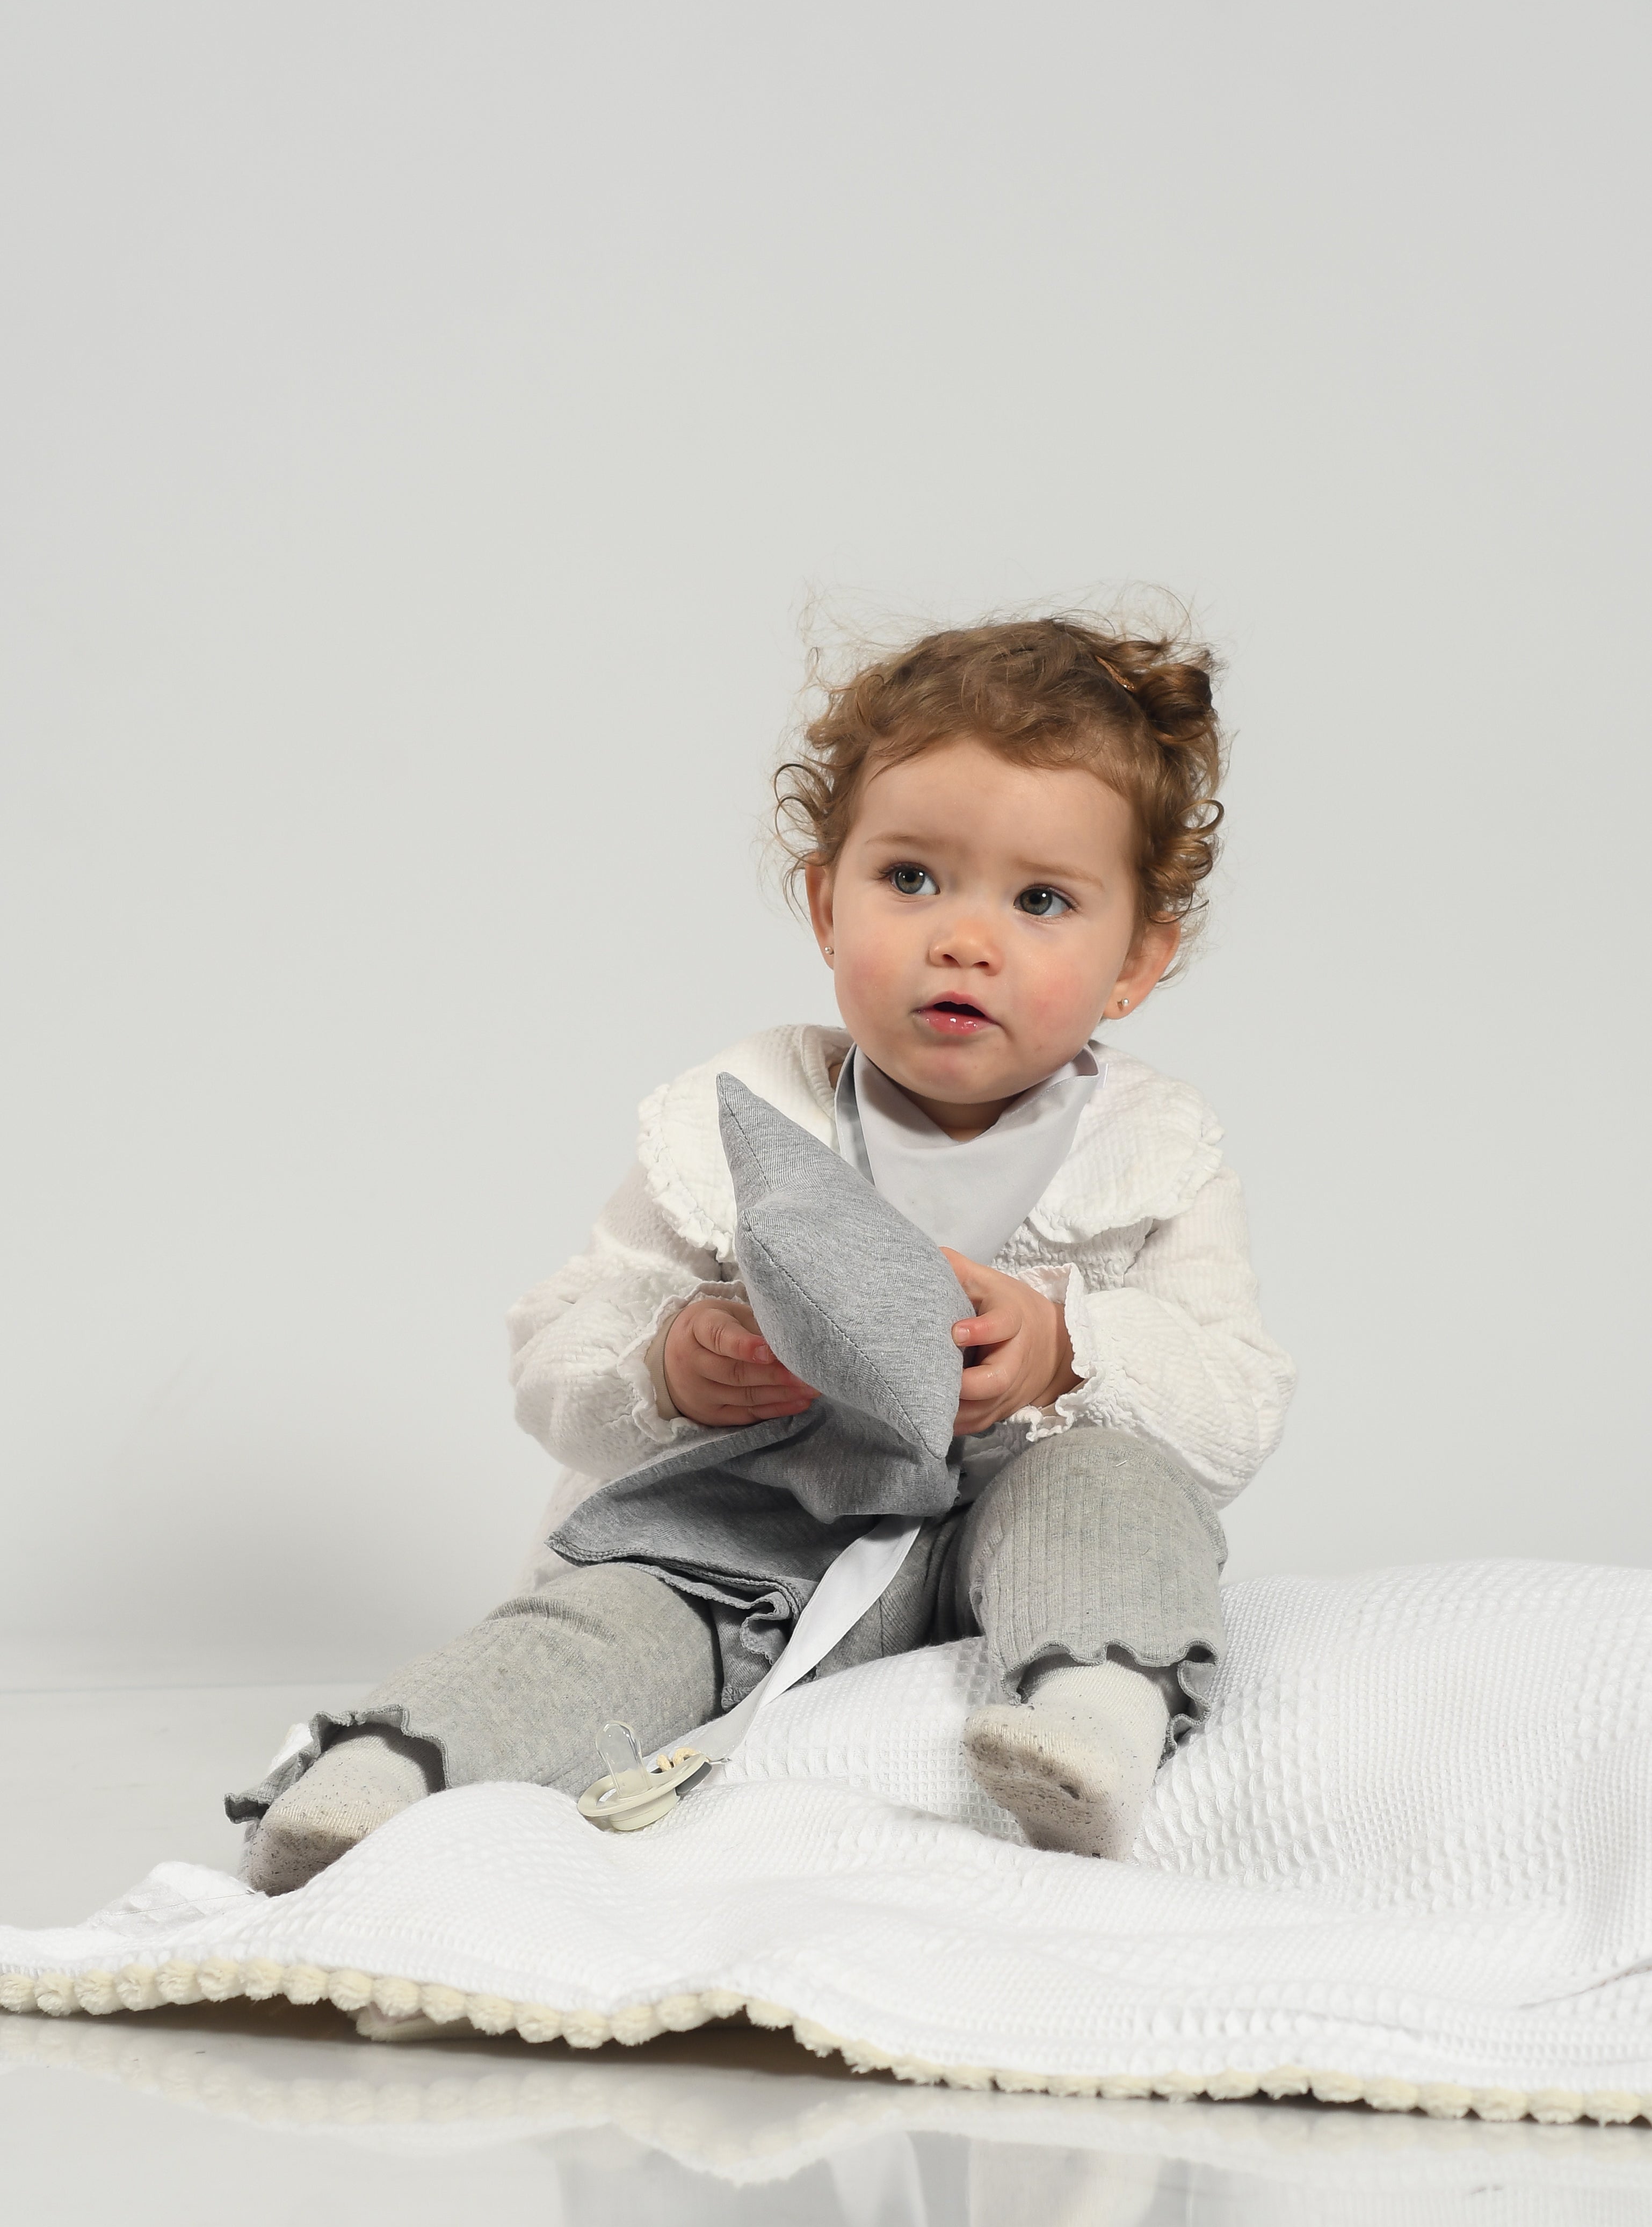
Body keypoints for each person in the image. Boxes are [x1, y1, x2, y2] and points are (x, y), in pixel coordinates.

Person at [231, 613, 1295, 1891]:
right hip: (770, 1539)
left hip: (1008, 1544)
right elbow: (557, 1347)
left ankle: (1088, 1719)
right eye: (911, 878)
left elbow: (1235, 1408)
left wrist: (1066, 1351)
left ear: (1134, 962)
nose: (963, 938)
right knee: (619, 1613)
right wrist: (669, 1364)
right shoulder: (739, 1117)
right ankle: (393, 1771)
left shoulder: (1150, 1151)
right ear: (825, 903)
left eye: (1039, 901)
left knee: (1114, 1493)